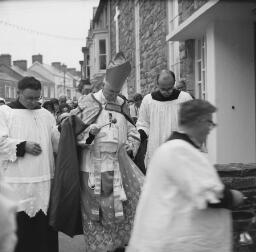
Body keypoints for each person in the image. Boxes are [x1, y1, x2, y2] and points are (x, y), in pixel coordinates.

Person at [49, 52, 144, 252]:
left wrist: (130, 145)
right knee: (98, 213)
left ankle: (116, 246)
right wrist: (90, 135)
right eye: (110, 90)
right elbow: (71, 134)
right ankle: (98, 248)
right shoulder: (88, 102)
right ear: (104, 84)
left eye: (116, 91)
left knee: (120, 211)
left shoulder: (122, 103)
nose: (113, 95)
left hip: (119, 166)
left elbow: (134, 132)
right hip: (94, 168)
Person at [127, 99, 244, 252]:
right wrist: (235, 196)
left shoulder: (176, 149)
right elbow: (209, 195)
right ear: (199, 121)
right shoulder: (180, 150)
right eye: (210, 123)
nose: (210, 129)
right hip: (170, 244)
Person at [0, 76, 59, 252]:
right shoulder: (5, 112)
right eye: (29, 98)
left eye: (37, 98)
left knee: (43, 235)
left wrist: (69, 130)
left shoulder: (46, 115)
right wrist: (22, 145)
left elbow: (56, 142)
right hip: (16, 181)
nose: (34, 102)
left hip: (44, 181)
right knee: (21, 234)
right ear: (18, 93)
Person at [136, 69, 192, 168]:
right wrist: (138, 137)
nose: (166, 92)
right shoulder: (148, 101)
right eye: (163, 89)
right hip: (156, 151)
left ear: (174, 83)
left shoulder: (185, 99)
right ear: (157, 84)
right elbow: (143, 124)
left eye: (169, 88)